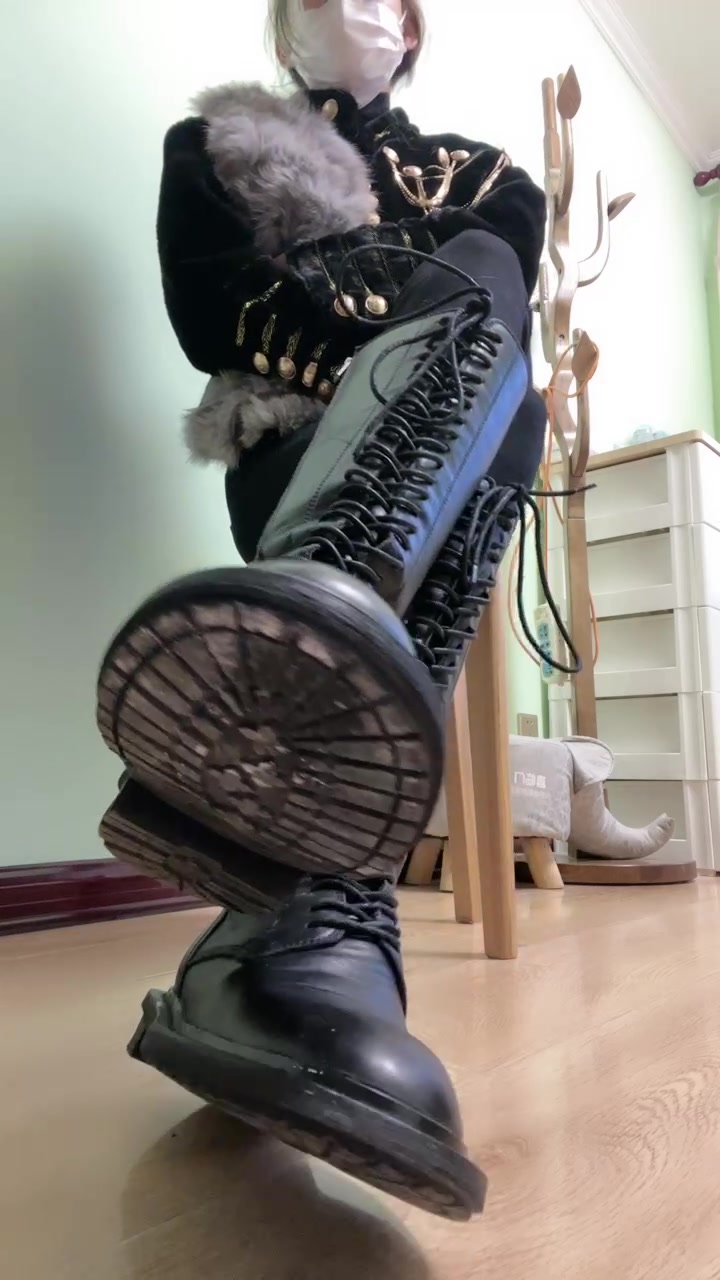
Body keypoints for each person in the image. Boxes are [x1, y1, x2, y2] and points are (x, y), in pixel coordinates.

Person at [97, 0, 554, 1218]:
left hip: (460, 450)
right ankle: (333, 879)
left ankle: (315, 665)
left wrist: (371, 307)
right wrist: (401, 321)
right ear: (283, 23)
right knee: (479, 353)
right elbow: (214, 314)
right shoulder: (212, 146)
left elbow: (494, 307)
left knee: (497, 354)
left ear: (413, 26)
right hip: (287, 443)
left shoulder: (488, 174)